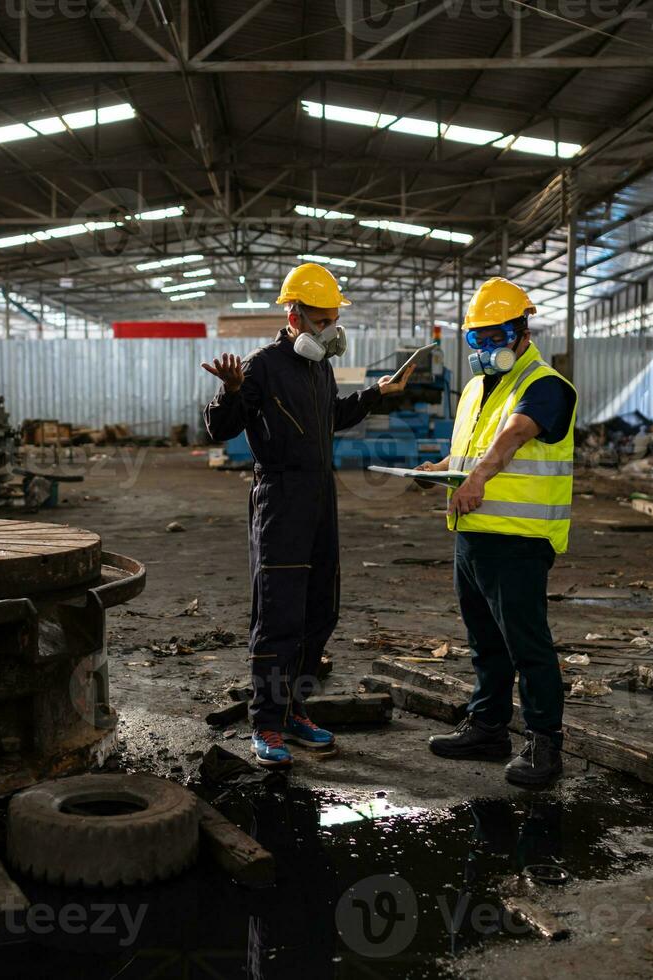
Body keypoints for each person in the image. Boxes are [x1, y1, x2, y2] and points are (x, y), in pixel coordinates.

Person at [203, 262, 416, 767]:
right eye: (322, 319)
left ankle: (295, 709)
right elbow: (220, 428)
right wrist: (230, 391)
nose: (331, 327)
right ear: (295, 317)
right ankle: (268, 724)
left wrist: (375, 395)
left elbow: (332, 417)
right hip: (281, 500)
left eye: (334, 318)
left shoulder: (318, 366)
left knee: (320, 611)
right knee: (279, 615)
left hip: (322, 497)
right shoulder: (261, 365)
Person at [417, 277, 577, 787]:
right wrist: (441, 468)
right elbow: (472, 449)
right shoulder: (476, 389)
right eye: (476, 338)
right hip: (474, 535)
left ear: (521, 330)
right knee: (485, 640)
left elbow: (513, 436)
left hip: (518, 539)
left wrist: (479, 478)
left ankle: (545, 745)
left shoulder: (545, 385)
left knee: (527, 643)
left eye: (494, 336)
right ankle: (487, 727)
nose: (484, 348)